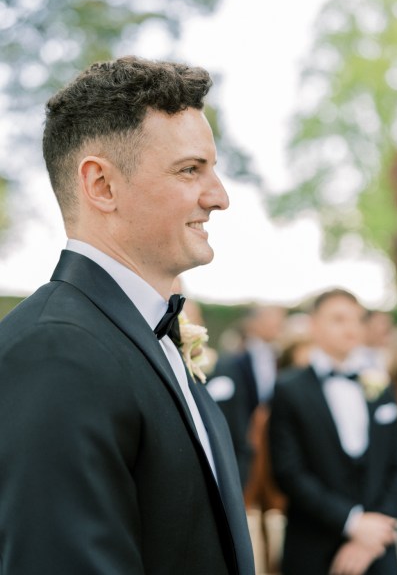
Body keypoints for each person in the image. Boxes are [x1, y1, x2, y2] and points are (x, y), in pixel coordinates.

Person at [0, 56, 255, 575]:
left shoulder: (141, 333)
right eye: (190, 169)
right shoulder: (57, 351)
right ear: (101, 186)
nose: (220, 197)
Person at [269, 289, 397, 575]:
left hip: (378, 547)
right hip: (313, 547)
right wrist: (352, 523)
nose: (351, 328)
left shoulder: (380, 385)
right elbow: (288, 472)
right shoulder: (289, 389)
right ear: (314, 326)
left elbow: (396, 462)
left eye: (356, 319)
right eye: (339, 319)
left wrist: (374, 533)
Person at [207, 304, 286, 490]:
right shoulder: (233, 360)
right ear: (254, 322)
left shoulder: (281, 357)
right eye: (272, 319)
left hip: (276, 439)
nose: (278, 324)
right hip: (246, 438)